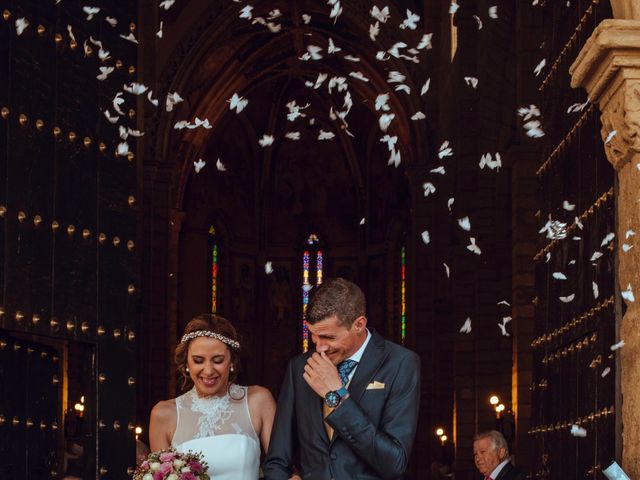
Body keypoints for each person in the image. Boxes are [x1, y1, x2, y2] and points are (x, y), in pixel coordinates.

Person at [264, 277, 421, 480]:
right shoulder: (299, 367)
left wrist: (336, 396)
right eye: (313, 335)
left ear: (359, 324)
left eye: (329, 337)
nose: (319, 347)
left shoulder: (401, 363)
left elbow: (395, 463)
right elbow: (277, 460)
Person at [149, 314, 276, 479]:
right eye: (198, 360)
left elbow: (280, 467)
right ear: (186, 363)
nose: (208, 371)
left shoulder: (258, 401)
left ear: (232, 361)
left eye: (217, 360)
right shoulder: (164, 414)